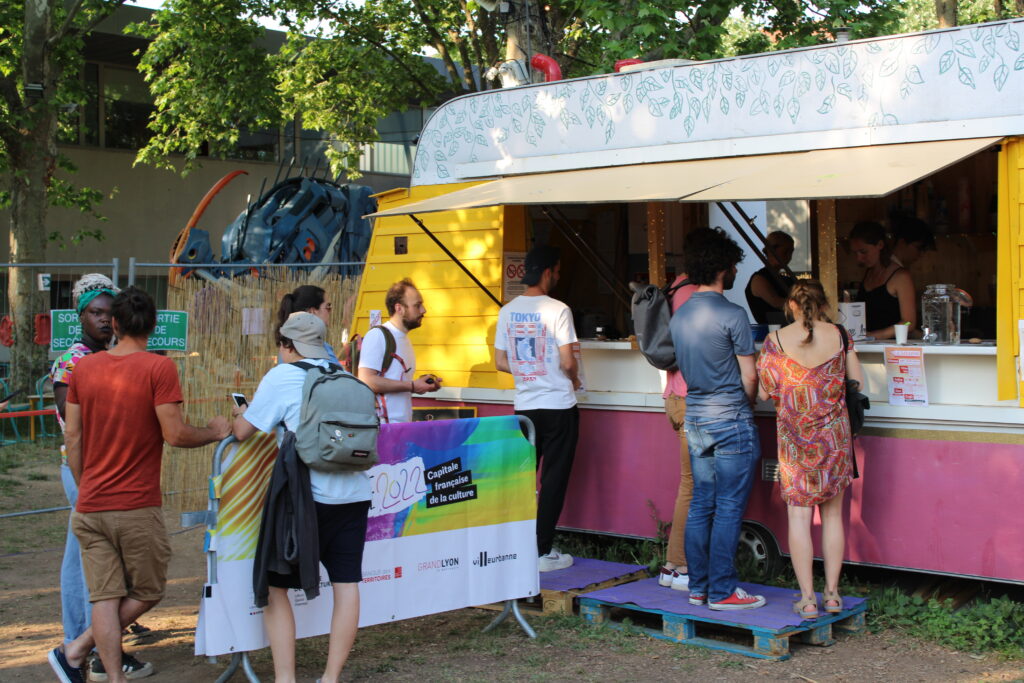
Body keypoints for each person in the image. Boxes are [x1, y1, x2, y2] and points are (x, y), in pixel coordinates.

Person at [49, 287, 230, 683]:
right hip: (135, 505)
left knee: (104, 596)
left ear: (114, 323)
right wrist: (215, 432)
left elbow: (73, 435)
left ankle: (98, 666)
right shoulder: (158, 368)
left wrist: (84, 485)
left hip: (91, 503)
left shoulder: (84, 369)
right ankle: (77, 650)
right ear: (152, 325)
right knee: (147, 590)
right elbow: (175, 434)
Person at [233, 311, 372, 683]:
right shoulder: (343, 375)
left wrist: (241, 412)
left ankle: (285, 679)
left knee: (274, 584)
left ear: (287, 345)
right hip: (356, 493)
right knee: (346, 584)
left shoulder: (281, 376)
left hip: (308, 498)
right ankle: (330, 678)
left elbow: (243, 431)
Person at [49, 275, 155, 681]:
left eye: (109, 314)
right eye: (95, 313)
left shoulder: (110, 357)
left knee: (96, 563)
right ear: (81, 316)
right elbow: (71, 417)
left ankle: (90, 644)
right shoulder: (73, 360)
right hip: (86, 471)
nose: (104, 320)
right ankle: (83, 646)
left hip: (108, 470)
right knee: (88, 565)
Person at [670, 227, 765, 611]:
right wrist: (749, 404)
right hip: (730, 419)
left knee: (701, 504)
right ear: (724, 267)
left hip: (696, 419)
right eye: (734, 266)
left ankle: (699, 586)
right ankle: (723, 590)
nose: (737, 271)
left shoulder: (679, 316)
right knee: (727, 506)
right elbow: (750, 377)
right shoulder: (733, 314)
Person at [756, 280, 863, 618]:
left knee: (799, 518)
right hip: (834, 440)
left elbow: (763, 393)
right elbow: (857, 382)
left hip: (795, 442)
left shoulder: (774, 341)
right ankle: (832, 594)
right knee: (832, 516)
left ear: (790, 305)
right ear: (824, 304)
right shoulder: (841, 336)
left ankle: (807, 599)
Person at [494, 245, 581, 572]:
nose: (557, 276)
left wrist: (527, 369)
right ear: (547, 272)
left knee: (522, 479)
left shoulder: (507, 311)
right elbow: (568, 361)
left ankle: (515, 548)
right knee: (553, 481)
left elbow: (500, 361)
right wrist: (574, 379)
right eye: (556, 271)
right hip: (558, 406)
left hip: (525, 408)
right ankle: (542, 551)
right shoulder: (559, 310)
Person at [658, 272, 698, 591]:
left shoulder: (675, 287)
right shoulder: (695, 293)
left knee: (689, 483)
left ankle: (672, 566)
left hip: (673, 395)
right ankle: (680, 565)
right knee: (692, 485)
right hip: (689, 397)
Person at [356, 278, 441, 423]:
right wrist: (412, 386)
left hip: (400, 427)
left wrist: (421, 384)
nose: (423, 310)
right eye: (417, 305)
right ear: (399, 308)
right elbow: (366, 380)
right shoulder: (377, 335)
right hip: (382, 429)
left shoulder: (404, 339)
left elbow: (397, 381)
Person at [849, 221, 917, 339]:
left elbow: (909, 322)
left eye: (863, 252)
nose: (859, 258)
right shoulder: (868, 273)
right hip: (866, 345)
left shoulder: (901, 277)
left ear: (880, 245)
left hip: (892, 345)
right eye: (855, 253)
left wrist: (876, 335)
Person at [744, 231, 796, 324]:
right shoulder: (759, 278)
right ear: (771, 250)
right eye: (785, 252)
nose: (789, 256)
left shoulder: (787, 280)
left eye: (791, 252)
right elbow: (777, 302)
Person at [277, 285, 339, 363]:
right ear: (311, 312)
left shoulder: (286, 347)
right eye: (328, 307)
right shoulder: (320, 349)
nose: (331, 311)